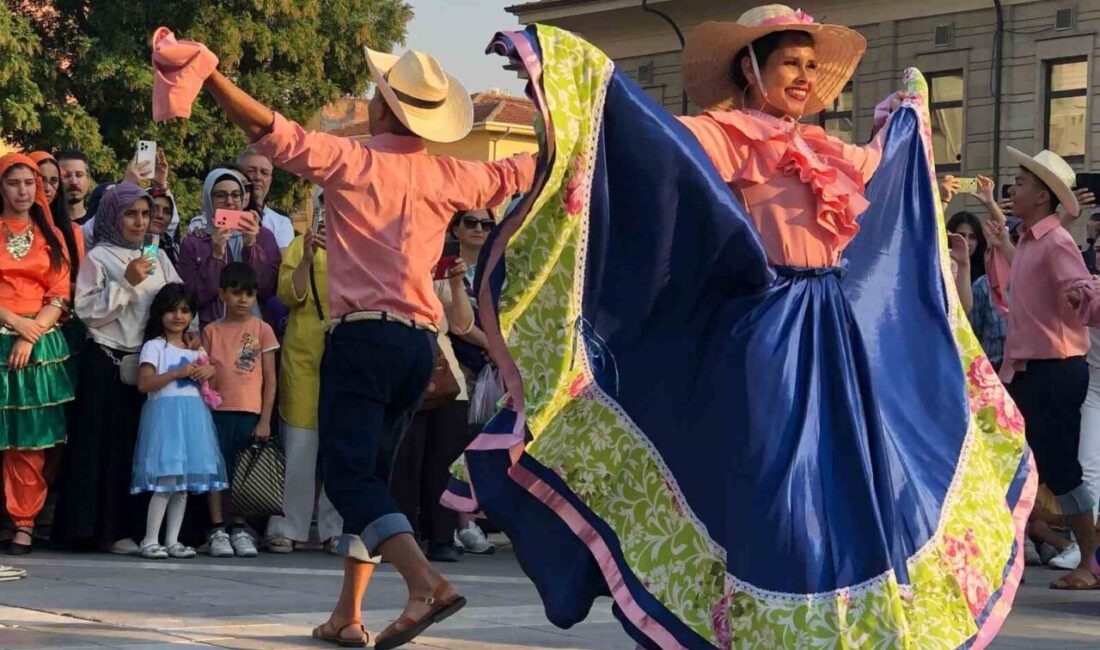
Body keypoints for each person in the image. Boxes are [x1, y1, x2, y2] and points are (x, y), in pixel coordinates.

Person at [445, 12, 1032, 648]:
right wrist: (567, 76)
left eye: (811, 66)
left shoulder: (826, 149)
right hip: (764, 333)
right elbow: (646, 143)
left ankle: (843, 623)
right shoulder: (721, 134)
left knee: (848, 483)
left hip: (834, 334)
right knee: (774, 486)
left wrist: (908, 121)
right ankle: (758, 623)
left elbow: (887, 170)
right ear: (750, 68)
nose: (804, 77)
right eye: (790, 63)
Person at [153, 26, 534, 647]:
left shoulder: (352, 160)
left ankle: (425, 585)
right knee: (372, 479)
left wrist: (209, 73)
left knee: (351, 475)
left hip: (364, 340)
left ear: (385, 105)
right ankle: (347, 616)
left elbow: (268, 131)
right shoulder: (450, 176)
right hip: (419, 348)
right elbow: (523, 169)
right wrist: (575, 124)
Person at [986, 147, 1100, 589]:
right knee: (1021, 462)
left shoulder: (1056, 242)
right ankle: (1044, 542)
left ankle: (1088, 562)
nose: (1015, 187)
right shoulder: (1033, 241)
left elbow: (1079, 289)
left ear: (1044, 196)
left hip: (1054, 371)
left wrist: (1082, 298)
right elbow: (1026, 277)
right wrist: (1002, 246)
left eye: (1024, 181)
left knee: (1060, 468)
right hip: (1030, 371)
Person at [54, 182, 181, 555]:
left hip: (147, 365)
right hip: (107, 362)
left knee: (139, 449)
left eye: (145, 214)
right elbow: (89, 311)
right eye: (131, 214)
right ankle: (100, 531)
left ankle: (141, 529)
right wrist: (126, 283)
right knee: (103, 449)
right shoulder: (100, 257)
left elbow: (175, 300)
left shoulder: (157, 256)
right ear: (114, 216)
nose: (140, 222)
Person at [0, 153, 74, 555]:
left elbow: (61, 293)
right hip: (6, 329)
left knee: (29, 440)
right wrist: (16, 322)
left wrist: (31, 333)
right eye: (14, 183)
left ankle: (24, 521)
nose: (24, 191)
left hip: (37, 346)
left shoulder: (52, 236)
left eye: (30, 183)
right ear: (1, 187)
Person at [264, 190, 342, 554]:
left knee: (339, 443)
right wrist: (309, 258)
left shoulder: (364, 248)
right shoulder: (299, 246)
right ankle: (289, 525)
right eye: (328, 205)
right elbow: (287, 296)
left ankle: (334, 527)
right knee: (300, 444)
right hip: (303, 355)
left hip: (346, 355)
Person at [133, 283, 227, 560]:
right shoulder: (154, 346)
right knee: (167, 480)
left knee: (182, 484)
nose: (178, 316)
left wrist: (208, 369)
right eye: (172, 310)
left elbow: (211, 380)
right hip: (166, 418)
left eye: (185, 311)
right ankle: (150, 539)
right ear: (160, 313)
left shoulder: (194, 348)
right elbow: (144, 383)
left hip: (193, 416)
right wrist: (176, 373)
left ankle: (173, 540)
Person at [392, 256, 476, 562]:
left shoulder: (437, 270)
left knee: (444, 461)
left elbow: (462, 324)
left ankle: (441, 537)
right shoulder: (388, 266)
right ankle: (403, 539)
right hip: (401, 369)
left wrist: (455, 284)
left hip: (444, 375)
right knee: (403, 462)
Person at [200, 262, 278, 558]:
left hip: (250, 413)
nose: (243, 300)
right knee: (217, 472)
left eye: (249, 294)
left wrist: (265, 419)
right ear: (221, 294)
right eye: (236, 293)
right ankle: (217, 528)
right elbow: (203, 370)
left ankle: (240, 527)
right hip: (216, 413)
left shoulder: (262, 329)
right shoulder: (210, 331)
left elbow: (271, 378)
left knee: (244, 474)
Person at [176, 168, 279, 328]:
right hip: (213, 334)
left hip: (254, 333)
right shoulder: (194, 242)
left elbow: (268, 288)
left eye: (236, 195)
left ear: (243, 198)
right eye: (221, 195)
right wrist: (216, 255)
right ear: (208, 199)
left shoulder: (263, 236)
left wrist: (251, 246)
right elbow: (192, 297)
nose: (229, 201)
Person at [239, 150, 294, 251]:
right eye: (251, 171)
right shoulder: (213, 219)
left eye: (264, 173)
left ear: (270, 181)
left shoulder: (281, 223)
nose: (258, 177)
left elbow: (281, 265)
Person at [946, 211, 987, 283]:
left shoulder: (986, 269)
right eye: (961, 236)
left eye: (973, 237)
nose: (966, 242)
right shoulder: (941, 266)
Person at [56, 150, 92, 226]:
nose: (74, 182)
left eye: (79, 175)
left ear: (88, 180)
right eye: (67, 176)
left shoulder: (96, 226)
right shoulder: (47, 226)